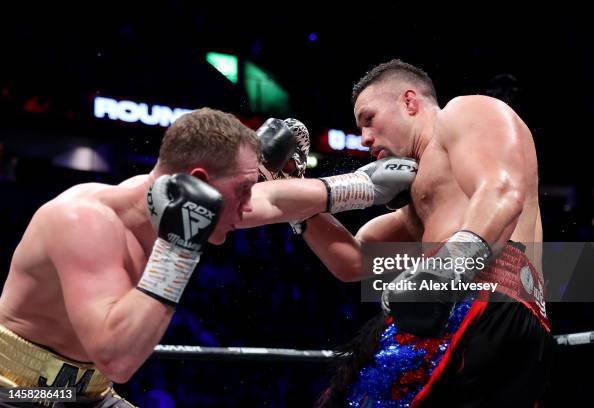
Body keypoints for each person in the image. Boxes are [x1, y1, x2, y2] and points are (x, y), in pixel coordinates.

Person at [241, 59, 553, 407]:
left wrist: (445, 269)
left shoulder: (466, 111)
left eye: (369, 119)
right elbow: (352, 261)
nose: (365, 138)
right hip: (483, 314)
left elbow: (503, 191)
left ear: (409, 102)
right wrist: (290, 189)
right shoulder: (425, 192)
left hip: (482, 301)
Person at [0, 107, 261, 407]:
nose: (250, 206)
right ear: (199, 183)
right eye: (244, 190)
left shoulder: (158, 205)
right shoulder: (83, 220)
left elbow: (278, 202)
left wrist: (327, 188)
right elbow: (117, 362)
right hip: (18, 391)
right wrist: (178, 251)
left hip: (90, 395)